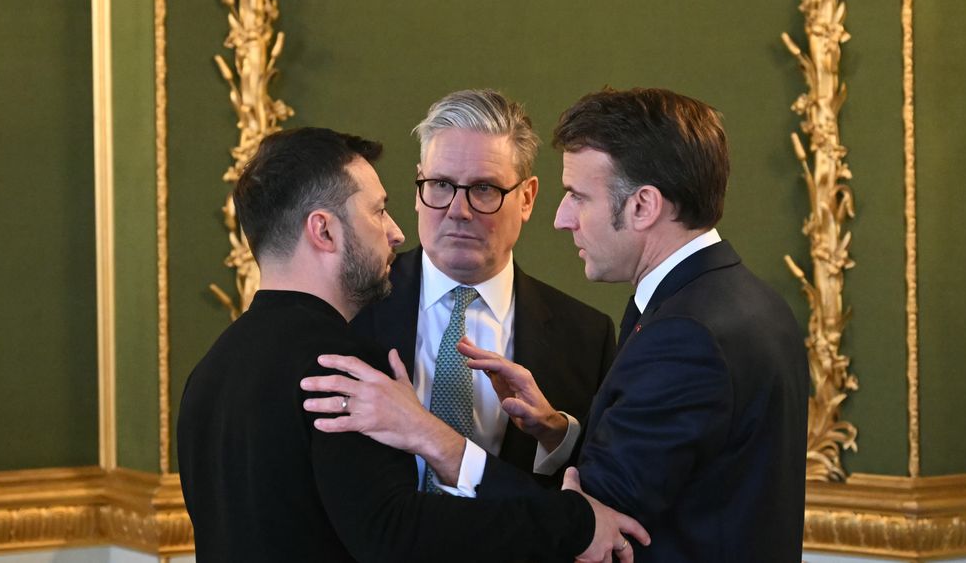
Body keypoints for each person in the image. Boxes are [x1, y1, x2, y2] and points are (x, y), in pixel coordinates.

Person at [304, 89, 810, 561]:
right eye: (439, 185)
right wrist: (559, 435)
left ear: (642, 205)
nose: (562, 218)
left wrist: (436, 441)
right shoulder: (743, 303)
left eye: (484, 188)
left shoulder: (642, 334)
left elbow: (594, 525)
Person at [176, 127, 647, 562]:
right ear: (324, 230)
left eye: (484, 188)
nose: (396, 231)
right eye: (378, 211)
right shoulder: (346, 366)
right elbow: (396, 531)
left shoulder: (209, 371)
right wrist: (573, 523)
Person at [349, 89, 616, 493]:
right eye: (441, 184)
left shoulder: (586, 337)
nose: (458, 210)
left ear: (526, 198)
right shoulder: (351, 306)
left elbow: (600, 483)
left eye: (485, 189)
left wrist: (554, 432)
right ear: (419, 186)